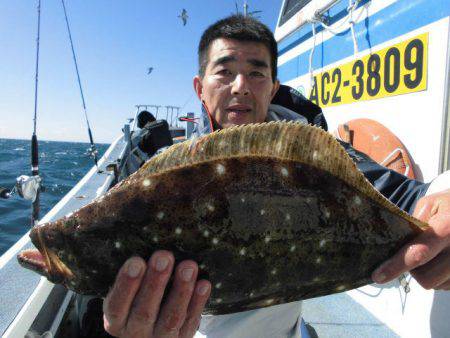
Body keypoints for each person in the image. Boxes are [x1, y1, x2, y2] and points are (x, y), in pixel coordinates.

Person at [102, 15, 450, 338]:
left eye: (256, 73)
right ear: (199, 87)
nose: (240, 86)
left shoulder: (316, 160)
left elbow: (409, 198)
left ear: (273, 87)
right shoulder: (159, 173)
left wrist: (442, 209)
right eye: (224, 72)